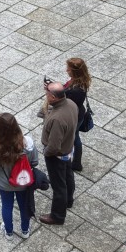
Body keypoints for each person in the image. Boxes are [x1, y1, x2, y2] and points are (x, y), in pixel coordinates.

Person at [0, 112, 39, 239]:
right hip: (23, 182)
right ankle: (25, 230)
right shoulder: (27, 143)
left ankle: (9, 232)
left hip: (4, 184)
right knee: (23, 205)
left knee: (6, 205)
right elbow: (35, 162)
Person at [39, 81, 78, 225]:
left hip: (57, 155)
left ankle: (57, 216)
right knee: (68, 175)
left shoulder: (57, 118)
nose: (45, 96)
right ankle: (68, 201)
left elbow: (54, 146)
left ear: (54, 98)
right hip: (68, 148)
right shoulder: (71, 104)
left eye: (47, 94)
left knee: (58, 186)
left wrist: (46, 152)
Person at [64, 58, 91, 171]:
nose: (66, 71)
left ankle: (75, 163)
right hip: (79, 113)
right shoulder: (80, 81)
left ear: (75, 72)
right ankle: (76, 163)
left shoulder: (75, 90)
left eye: (69, 69)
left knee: (74, 139)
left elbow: (65, 100)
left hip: (73, 116)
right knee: (75, 138)